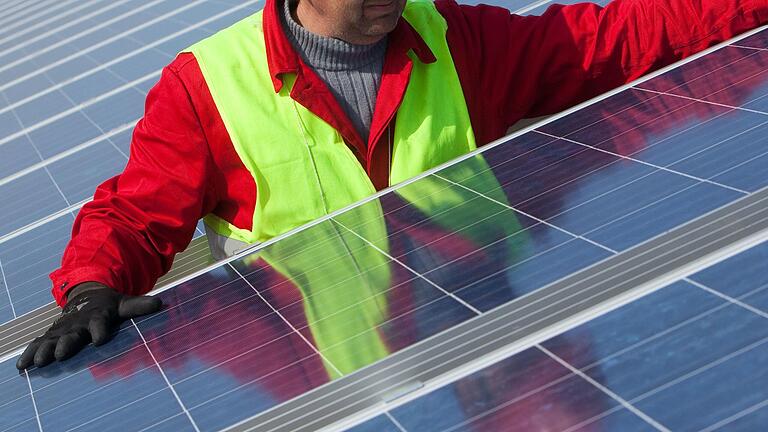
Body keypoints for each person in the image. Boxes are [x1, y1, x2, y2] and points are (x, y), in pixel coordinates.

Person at [16, 0, 768, 370]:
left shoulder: (455, 40)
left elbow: (608, 41)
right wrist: (91, 288)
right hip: (337, 384)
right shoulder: (207, 87)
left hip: (492, 337)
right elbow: (137, 214)